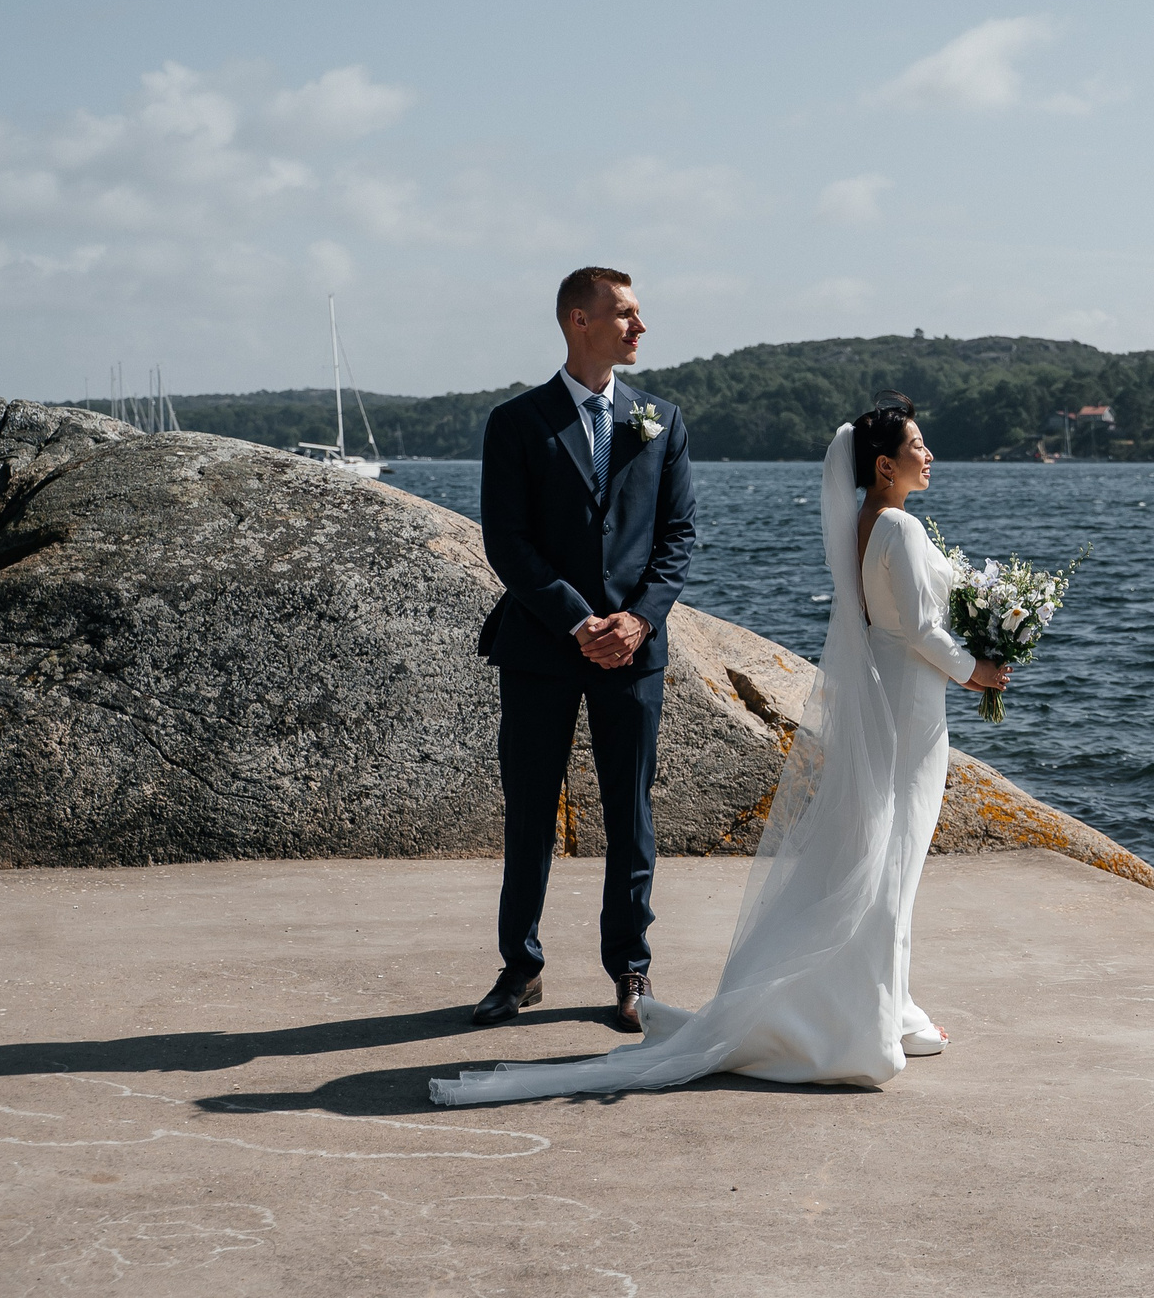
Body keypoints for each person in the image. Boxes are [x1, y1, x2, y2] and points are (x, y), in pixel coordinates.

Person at [429, 397, 1008, 1105]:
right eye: (919, 444)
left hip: (884, 698)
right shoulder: (902, 527)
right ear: (884, 465)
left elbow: (878, 613)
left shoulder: (863, 523)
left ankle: (889, 1003)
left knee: (876, 855)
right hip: (911, 708)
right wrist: (978, 668)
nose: (930, 454)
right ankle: (870, 1015)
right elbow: (920, 626)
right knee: (892, 859)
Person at [467, 266, 696, 1033]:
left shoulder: (661, 419)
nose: (640, 327)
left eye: (638, 313)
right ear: (579, 320)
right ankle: (521, 966)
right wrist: (576, 620)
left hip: (634, 652)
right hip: (541, 646)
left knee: (630, 811)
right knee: (530, 811)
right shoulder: (517, 422)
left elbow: (677, 537)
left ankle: (630, 968)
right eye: (625, 313)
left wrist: (635, 621)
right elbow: (509, 541)